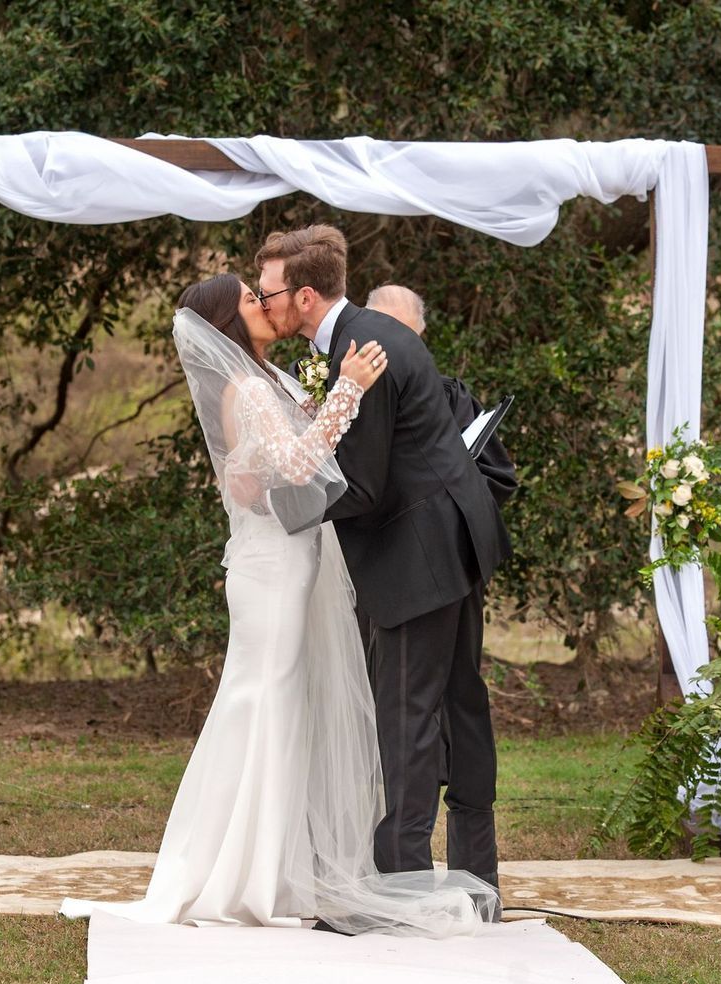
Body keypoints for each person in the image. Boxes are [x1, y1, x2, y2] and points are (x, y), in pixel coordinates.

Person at [61, 274, 498, 936]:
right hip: (268, 571)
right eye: (248, 299)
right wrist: (348, 388)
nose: (261, 305)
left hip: (296, 563)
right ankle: (238, 874)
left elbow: (274, 466)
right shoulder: (246, 388)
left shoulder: (271, 381)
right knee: (261, 705)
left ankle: (279, 868)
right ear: (225, 322)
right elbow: (297, 465)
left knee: (288, 710)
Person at [257, 227, 512, 902]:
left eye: (268, 293)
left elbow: (361, 488)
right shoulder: (363, 336)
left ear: (303, 297)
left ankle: (400, 886)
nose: (263, 302)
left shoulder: (360, 351)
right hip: (451, 540)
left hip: (416, 554)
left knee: (406, 713)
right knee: (460, 703)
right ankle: (475, 880)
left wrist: (283, 504)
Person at [365, 283, 517, 828]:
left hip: (454, 565)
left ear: (421, 337)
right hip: (380, 575)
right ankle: (383, 856)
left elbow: (498, 475)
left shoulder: (451, 396)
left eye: (405, 333)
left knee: (462, 703)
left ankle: (476, 871)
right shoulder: (348, 396)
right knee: (389, 709)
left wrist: (450, 491)